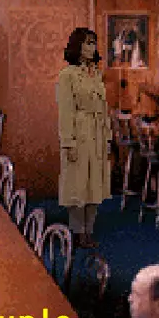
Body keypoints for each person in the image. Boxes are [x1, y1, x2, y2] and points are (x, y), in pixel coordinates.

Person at [56, 27, 112, 249]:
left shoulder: (96, 73)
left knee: (95, 183)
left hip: (97, 133)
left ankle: (89, 229)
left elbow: (103, 108)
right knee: (78, 184)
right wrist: (68, 142)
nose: (92, 47)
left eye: (94, 43)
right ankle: (78, 231)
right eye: (88, 43)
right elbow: (65, 111)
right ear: (77, 46)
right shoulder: (67, 75)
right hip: (79, 133)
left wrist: (107, 136)